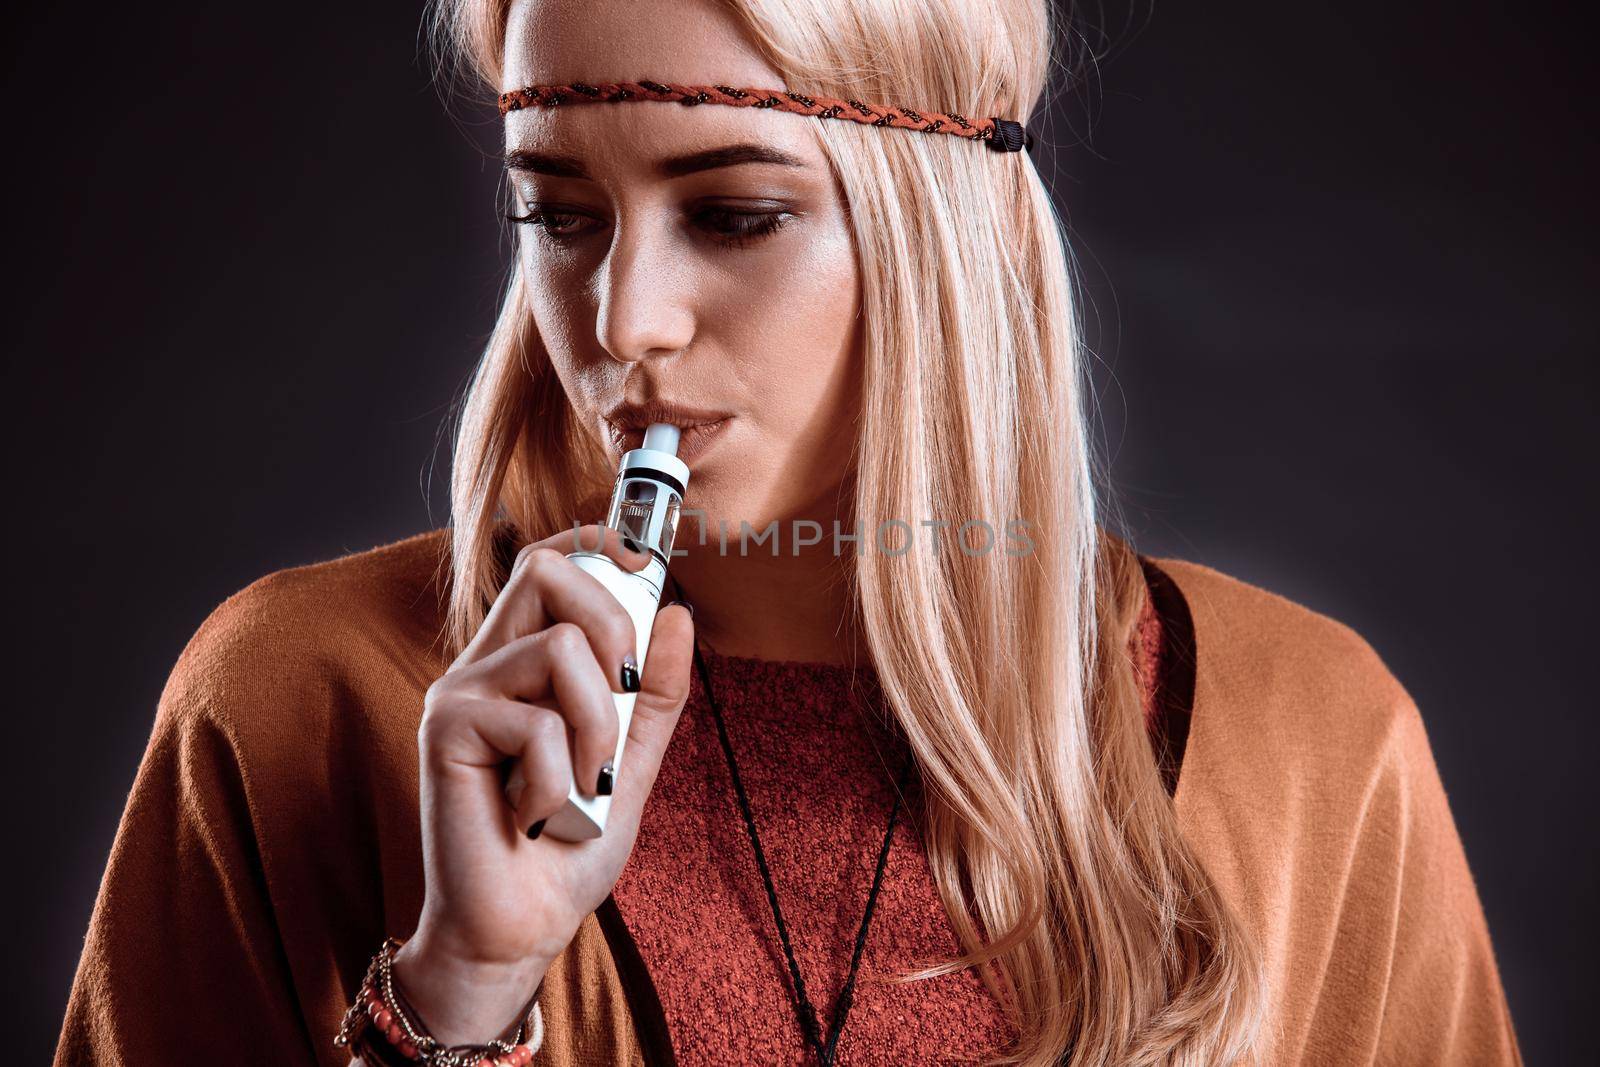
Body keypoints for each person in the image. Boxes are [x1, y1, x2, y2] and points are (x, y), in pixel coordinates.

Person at [54, 0, 1523, 1064]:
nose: (623, 322)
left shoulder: (1317, 747)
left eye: (737, 214)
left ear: (944, 230)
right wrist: (458, 998)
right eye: (559, 218)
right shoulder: (299, 710)